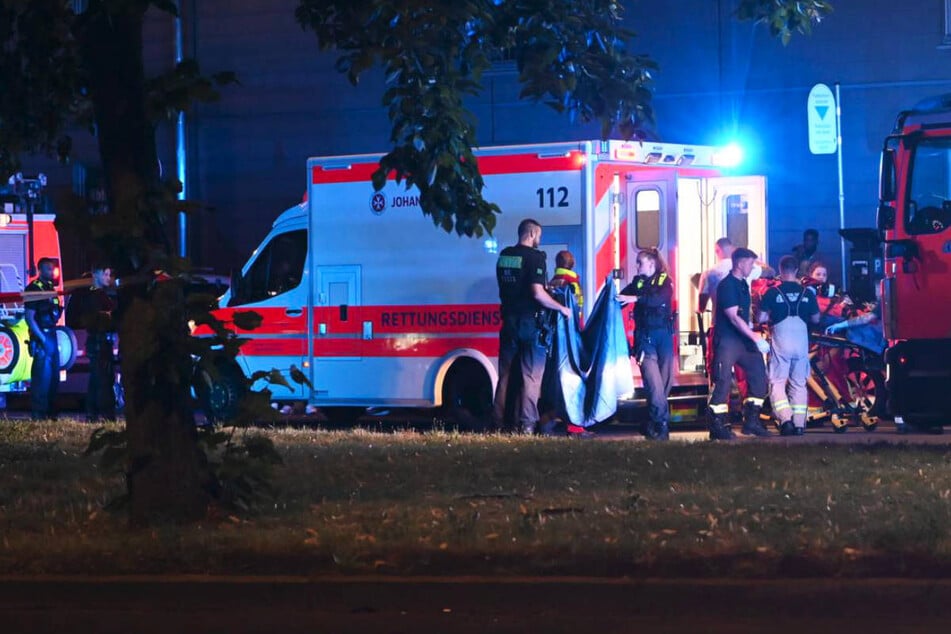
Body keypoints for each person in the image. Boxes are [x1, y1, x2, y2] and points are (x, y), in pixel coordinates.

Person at [493, 219, 571, 435]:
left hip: (508, 322)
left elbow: (516, 286)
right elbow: (537, 293)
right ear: (532, 234)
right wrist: (561, 308)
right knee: (531, 375)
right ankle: (527, 424)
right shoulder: (535, 257)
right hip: (530, 324)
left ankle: (499, 422)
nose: (539, 239)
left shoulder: (504, 256)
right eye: (539, 235)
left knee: (506, 375)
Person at [707, 247, 772, 440]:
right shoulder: (727, 285)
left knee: (759, 378)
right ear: (740, 263)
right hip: (728, 340)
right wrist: (755, 337)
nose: (752, 267)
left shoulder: (743, 284)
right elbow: (734, 318)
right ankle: (717, 426)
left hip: (743, 340)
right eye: (750, 263)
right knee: (723, 381)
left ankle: (751, 422)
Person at [758, 255, 820, 437]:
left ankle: (785, 420)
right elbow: (816, 319)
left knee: (777, 382)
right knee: (799, 383)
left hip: (781, 339)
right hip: (801, 341)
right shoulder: (807, 293)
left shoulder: (772, 293)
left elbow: (761, 318)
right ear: (796, 271)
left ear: (780, 269)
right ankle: (800, 424)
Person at [618, 248, 674, 440]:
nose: (637, 266)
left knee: (665, 383)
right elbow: (621, 299)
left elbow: (660, 299)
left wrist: (637, 299)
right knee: (654, 383)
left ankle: (651, 423)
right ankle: (661, 426)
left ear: (651, 263)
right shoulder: (637, 282)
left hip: (664, 337)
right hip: (645, 338)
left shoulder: (665, 281)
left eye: (640, 262)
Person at [24, 257, 62, 421]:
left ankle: (51, 415)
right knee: (41, 380)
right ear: (40, 270)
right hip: (42, 338)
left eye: (52, 269)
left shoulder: (51, 289)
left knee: (53, 378)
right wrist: (42, 338)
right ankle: (38, 416)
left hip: (52, 334)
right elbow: (29, 318)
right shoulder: (33, 288)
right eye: (47, 269)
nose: (51, 272)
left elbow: (54, 313)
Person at [80, 264, 118, 422]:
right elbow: (99, 319)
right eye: (106, 274)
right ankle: (100, 414)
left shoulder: (103, 294)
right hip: (98, 342)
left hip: (103, 342)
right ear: (96, 275)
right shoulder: (94, 296)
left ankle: (94, 414)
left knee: (101, 379)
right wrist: (109, 316)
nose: (109, 278)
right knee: (101, 380)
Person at [549, 250, 583, 322]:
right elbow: (578, 302)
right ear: (572, 264)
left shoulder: (555, 279)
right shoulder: (573, 280)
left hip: (557, 320)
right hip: (572, 319)